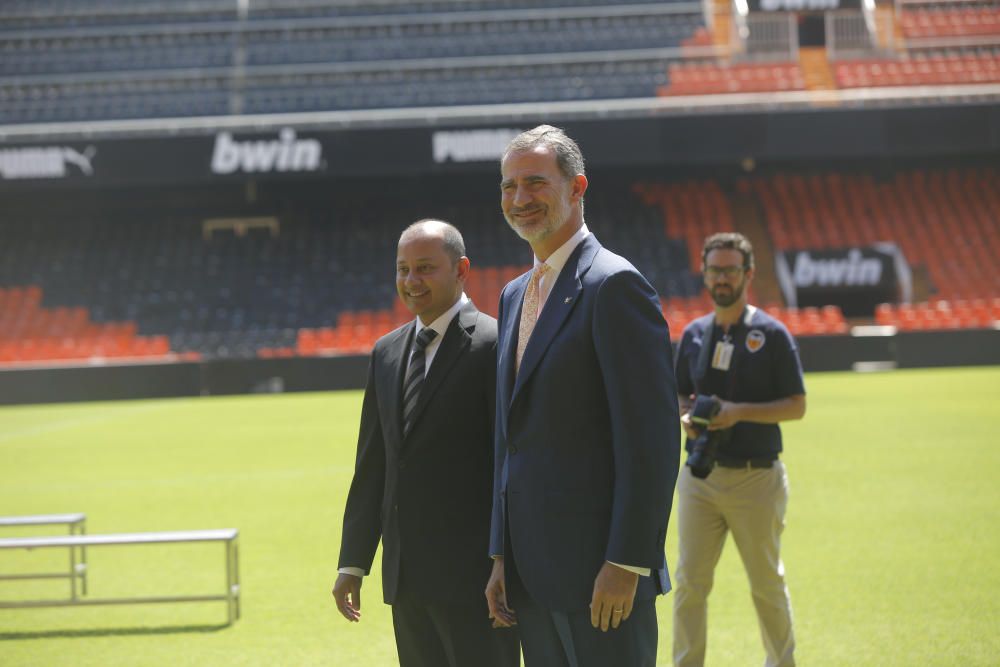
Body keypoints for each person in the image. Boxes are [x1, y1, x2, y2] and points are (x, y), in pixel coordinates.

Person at [485, 125, 680, 667]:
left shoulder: (615, 286)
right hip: (531, 578)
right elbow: (511, 438)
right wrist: (501, 554)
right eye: (508, 186)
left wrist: (628, 561)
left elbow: (653, 441)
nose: (520, 199)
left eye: (535, 183)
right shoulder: (513, 294)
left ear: (577, 188)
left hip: (602, 577)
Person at [332, 219, 519, 667]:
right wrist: (353, 561)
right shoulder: (386, 352)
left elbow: (509, 463)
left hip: (476, 581)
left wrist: (504, 559)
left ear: (461, 270)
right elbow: (374, 464)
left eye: (425, 268)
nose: (412, 281)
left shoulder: (497, 345)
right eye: (403, 270)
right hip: (407, 579)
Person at [671, 232, 807, 667]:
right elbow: (679, 395)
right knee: (690, 584)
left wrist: (737, 413)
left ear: (748, 273)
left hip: (756, 477)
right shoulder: (693, 334)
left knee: (766, 583)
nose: (722, 278)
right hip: (700, 477)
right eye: (714, 269)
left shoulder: (772, 334)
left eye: (730, 269)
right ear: (704, 274)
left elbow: (797, 405)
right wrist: (686, 417)